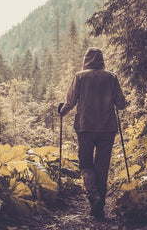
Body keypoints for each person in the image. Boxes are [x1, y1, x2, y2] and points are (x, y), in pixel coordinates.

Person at [58, 47, 126, 220]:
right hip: (107, 128)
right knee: (102, 167)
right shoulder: (111, 77)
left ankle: (93, 197)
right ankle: (100, 204)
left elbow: (71, 101)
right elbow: (121, 104)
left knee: (86, 164)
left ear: (86, 59)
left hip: (85, 128)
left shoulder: (79, 76)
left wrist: (62, 111)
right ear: (101, 60)